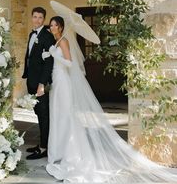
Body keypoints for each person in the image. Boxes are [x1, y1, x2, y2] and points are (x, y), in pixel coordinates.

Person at [45, 15, 177, 183]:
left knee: (66, 115)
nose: (52, 27)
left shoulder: (63, 42)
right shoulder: (57, 41)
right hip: (57, 81)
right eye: (51, 25)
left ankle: (69, 152)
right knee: (58, 115)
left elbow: (70, 63)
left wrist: (54, 55)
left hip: (63, 82)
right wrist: (48, 55)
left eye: (55, 25)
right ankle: (59, 151)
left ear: (61, 27)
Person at [22, 7, 55, 160]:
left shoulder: (47, 36)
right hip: (32, 80)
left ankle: (44, 148)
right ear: (32, 17)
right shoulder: (32, 34)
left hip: (40, 84)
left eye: (40, 17)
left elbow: (49, 63)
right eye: (34, 16)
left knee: (44, 115)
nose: (37, 20)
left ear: (44, 19)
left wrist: (42, 84)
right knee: (38, 114)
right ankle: (41, 142)